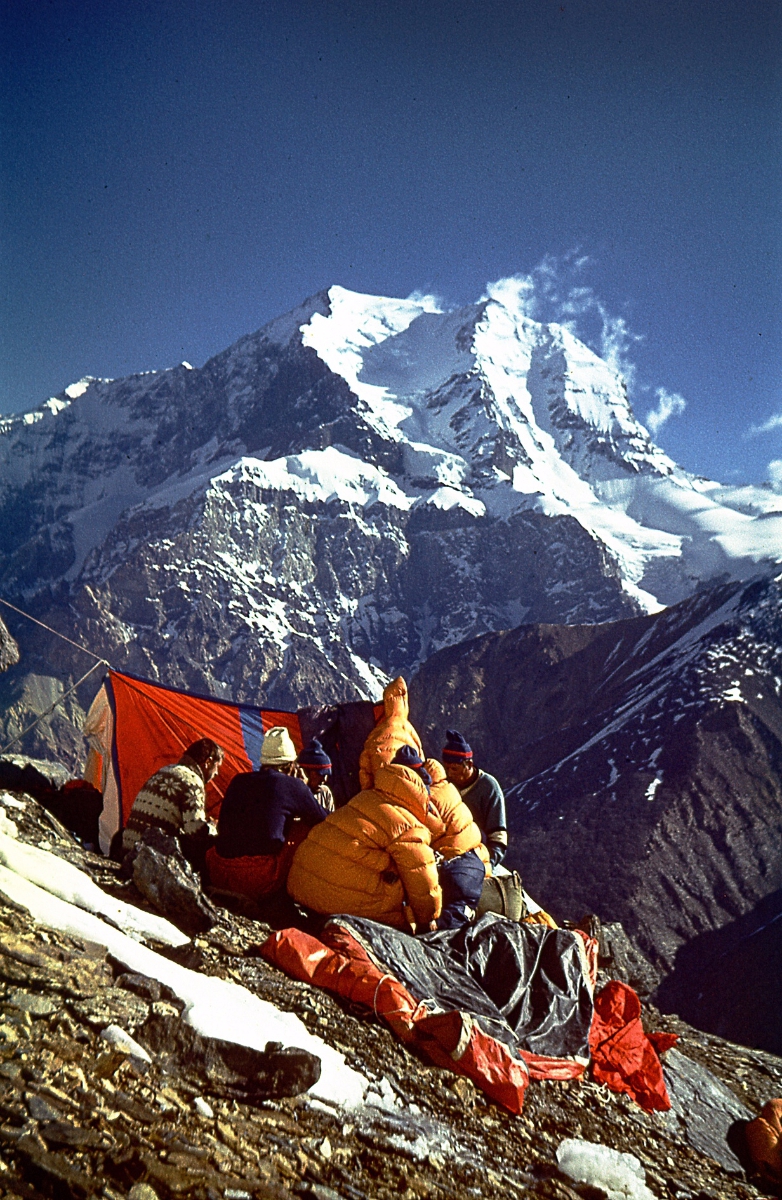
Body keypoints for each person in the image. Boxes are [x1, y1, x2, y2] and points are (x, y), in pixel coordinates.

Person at [286, 744, 441, 931]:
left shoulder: (364, 798)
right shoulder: (409, 825)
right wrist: (427, 920)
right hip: (337, 903)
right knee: (402, 873)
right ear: (422, 796)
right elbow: (423, 882)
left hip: (301, 887)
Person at [206, 726, 329, 902]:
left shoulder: (238, 780)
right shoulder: (293, 785)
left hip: (218, 870)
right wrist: (304, 786)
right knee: (302, 829)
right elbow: (323, 819)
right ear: (292, 766)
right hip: (258, 878)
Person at [122, 738, 224, 862]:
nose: (217, 773)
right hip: (148, 856)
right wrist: (214, 828)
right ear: (208, 762)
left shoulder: (164, 770)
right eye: (217, 767)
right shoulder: (192, 780)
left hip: (128, 848)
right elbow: (196, 832)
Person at [441, 730, 508, 869]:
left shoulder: (489, 787)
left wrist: (487, 863)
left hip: (477, 854)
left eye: (454, 768)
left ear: (469, 765)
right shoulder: (444, 785)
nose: (449, 773)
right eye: (446, 768)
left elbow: (498, 837)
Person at [298, 738, 335, 812]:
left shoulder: (325, 792)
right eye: (319, 774)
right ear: (304, 773)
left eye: (326, 775)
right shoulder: (293, 796)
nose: (324, 780)